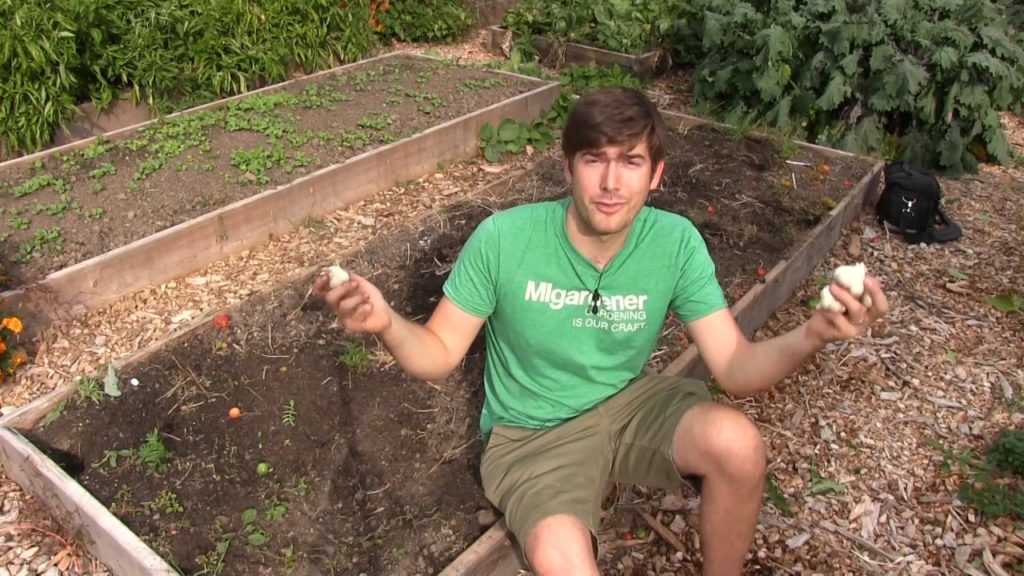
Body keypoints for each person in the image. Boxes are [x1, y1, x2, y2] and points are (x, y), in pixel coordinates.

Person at [315, 87, 889, 576]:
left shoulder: (675, 244)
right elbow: (439, 353)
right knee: (563, 559)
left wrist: (814, 333)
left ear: (656, 174)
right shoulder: (504, 239)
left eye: (631, 161)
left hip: (627, 403)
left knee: (738, 445)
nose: (611, 182)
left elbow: (735, 368)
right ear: (567, 167)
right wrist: (387, 322)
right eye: (594, 159)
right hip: (532, 434)